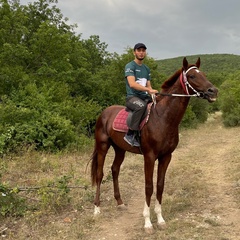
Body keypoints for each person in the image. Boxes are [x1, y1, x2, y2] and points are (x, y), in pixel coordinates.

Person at [124, 43, 158, 147]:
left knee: (158, 105)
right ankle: (130, 133)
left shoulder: (146, 69)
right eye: (139, 50)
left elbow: (149, 86)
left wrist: (153, 94)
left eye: (143, 51)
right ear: (134, 52)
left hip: (144, 96)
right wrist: (148, 90)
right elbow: (132, 84)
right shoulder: (130, 66)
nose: (141, 53)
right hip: (132, 97)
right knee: (141, 106)